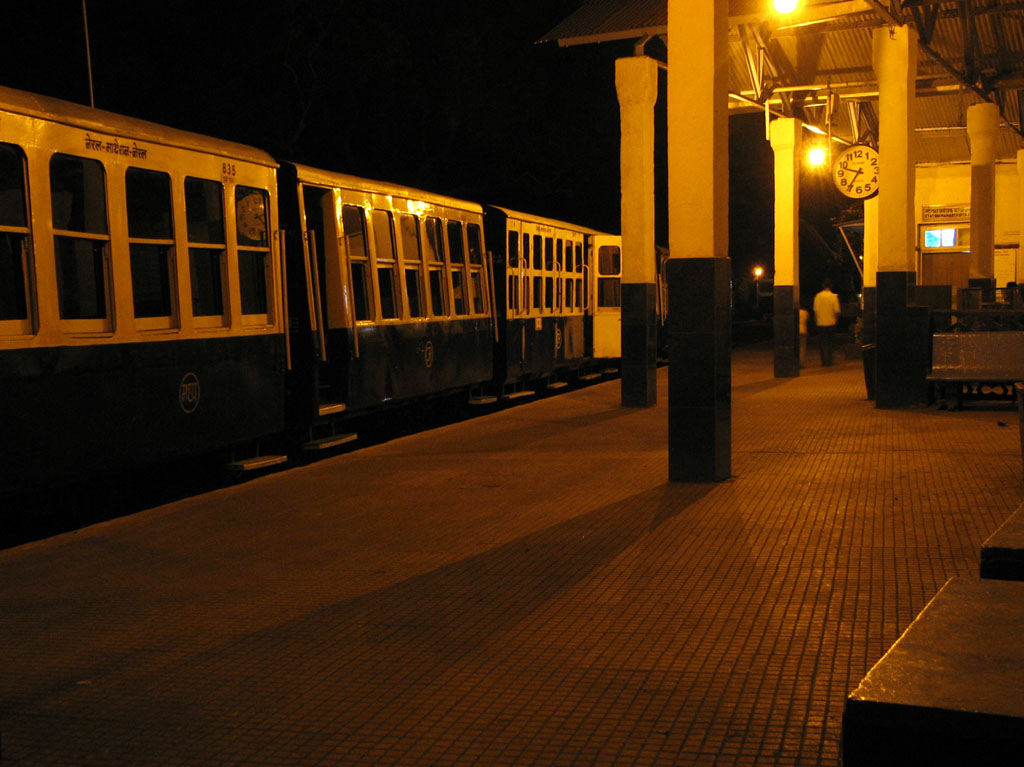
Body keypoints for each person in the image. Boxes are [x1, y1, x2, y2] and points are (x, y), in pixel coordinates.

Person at [813, 279, 841, 366]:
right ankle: (830, 361)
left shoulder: (818, 296)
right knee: (831, 343)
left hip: (821, 323)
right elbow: (837, 311)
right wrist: (836, 320)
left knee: (822, 343)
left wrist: (816, 321)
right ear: (831, 286)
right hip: (831, 323)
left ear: (823, 286)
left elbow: (815, 310)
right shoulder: (833, 297)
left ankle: (824, 361)